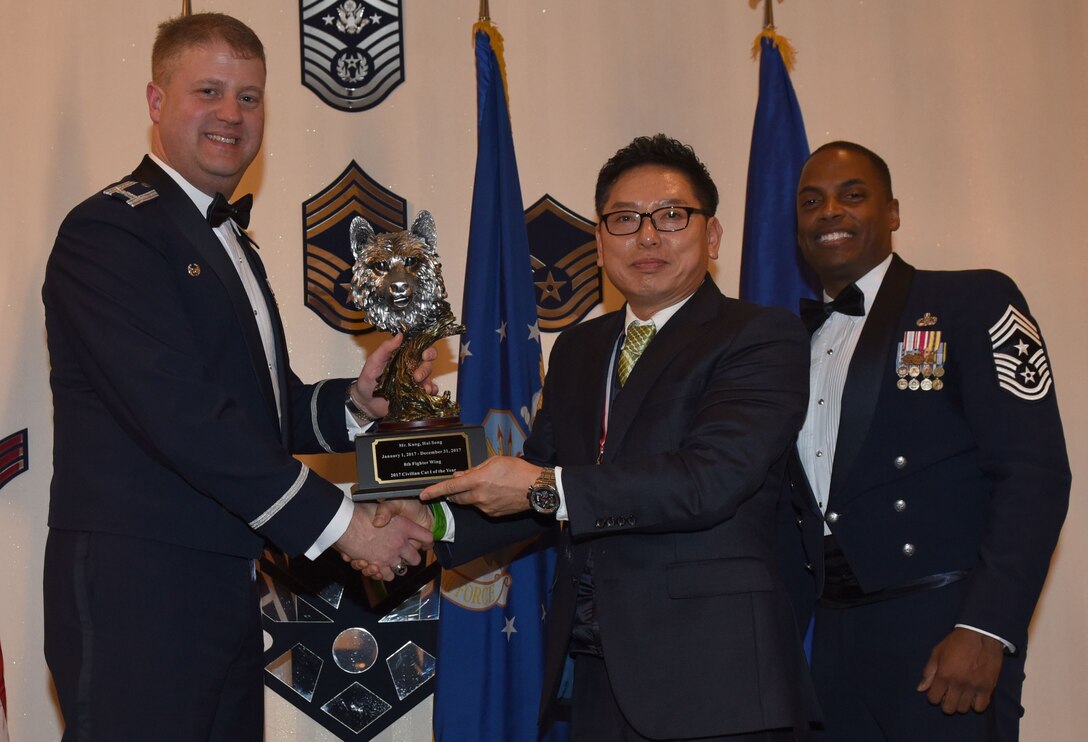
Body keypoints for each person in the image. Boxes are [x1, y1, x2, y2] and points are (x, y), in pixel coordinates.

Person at [41, 13, 433, 741]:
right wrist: (345, 525)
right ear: (157, 102)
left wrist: (351, 403)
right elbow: (185, 419)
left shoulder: (227, 241)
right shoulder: (110, 233)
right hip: (140, 587)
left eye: (249, 97)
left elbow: (255, 405)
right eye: (209, 91)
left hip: (221, 582)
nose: (231, 114)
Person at [368, 134, 819, 741]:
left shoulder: (761, 336)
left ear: (711, 237)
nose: (648, 236)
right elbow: (540, 483)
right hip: (599, 675)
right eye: (625, 220)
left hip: (719, 680)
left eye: (671, 216)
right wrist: (431, 520)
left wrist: (542, 486)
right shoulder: (581, 348)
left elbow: (710, 479)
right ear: (600, 242)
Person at [783, 140, 1069, 741]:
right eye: (812, 202)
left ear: (892, 212)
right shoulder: (784, 346)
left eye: (851, 195)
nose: (829, 211)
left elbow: (1034, 472)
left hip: (943, 631)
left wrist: (988, 627)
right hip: (831, 637)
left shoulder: (971, 300)